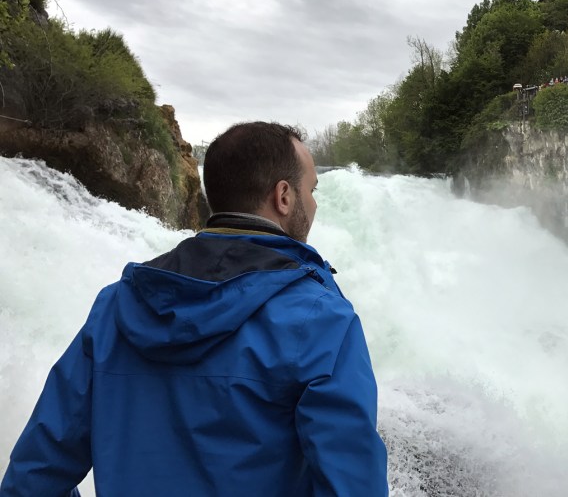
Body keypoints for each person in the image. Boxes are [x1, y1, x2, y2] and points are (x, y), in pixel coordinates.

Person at [1, 122, 388, 496]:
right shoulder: (322, 321)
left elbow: (33, 477)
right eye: (312, 190)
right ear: (284, 196)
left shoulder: (116, 305)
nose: (314, 203)